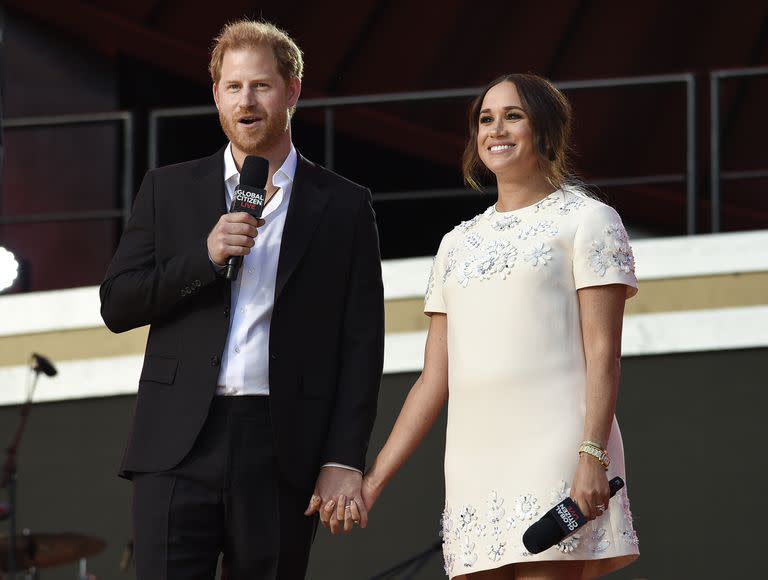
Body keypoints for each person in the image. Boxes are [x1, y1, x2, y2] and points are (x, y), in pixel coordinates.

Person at [100, 19, 384, 579]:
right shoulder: (169, 188)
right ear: (216, 96)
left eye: (261, 85)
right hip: (176, 445)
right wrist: (203, 258)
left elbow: (362, 345)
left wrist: (342, 458)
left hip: (281, 448)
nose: (246, 100)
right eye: (233, 87)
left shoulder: (344, 206)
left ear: (293, 90)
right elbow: (118, 304)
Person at [360, 74, 640, 579]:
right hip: (472, 464)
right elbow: (432, 380)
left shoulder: (589, 220)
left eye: (514, 115)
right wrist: (374, 480)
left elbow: (603, 353)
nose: (496, 129)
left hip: (560, 450)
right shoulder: (456, 243)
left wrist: (592, 455)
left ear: (547, 130)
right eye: (485, 119)